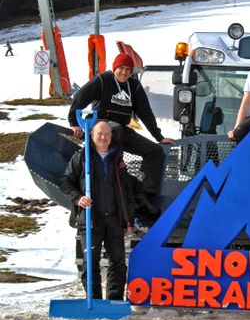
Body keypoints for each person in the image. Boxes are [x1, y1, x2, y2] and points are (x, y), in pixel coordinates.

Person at [68, 53, 175, 212]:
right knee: (116, 129)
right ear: (114, 68)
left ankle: (143, 193)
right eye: (121, 68)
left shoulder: (134, 86)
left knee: (155, 151)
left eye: (128, 69)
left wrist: (158, 136)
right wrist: (74, 123)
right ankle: (116, 172)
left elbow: (145, 112)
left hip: (121, 129)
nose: (124, 72)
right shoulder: (103, 80)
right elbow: (79, 98)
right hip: (101, 126)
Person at [59, 120, 135, 300]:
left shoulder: (117, 159)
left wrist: (128, 220)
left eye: (107, 134)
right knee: (90, 263)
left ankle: (114, 301)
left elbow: (126, 192)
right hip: (91, 220)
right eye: (100, 133)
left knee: (117, 263)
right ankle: (94, 301)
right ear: (92, 136)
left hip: (114, 219)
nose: (104, 137)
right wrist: (78, 198)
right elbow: (65, 181)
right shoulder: (82, 157)